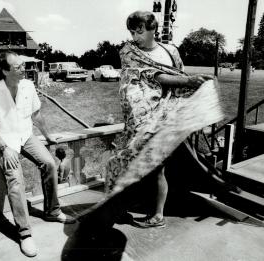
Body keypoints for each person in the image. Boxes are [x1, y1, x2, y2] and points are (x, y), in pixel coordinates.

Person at [78, 11, 224, 233]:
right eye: (131, 32)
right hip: (140, 120)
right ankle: (120, 207)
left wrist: (194, 85)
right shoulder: (129, 52)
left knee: (157, 169)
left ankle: (157, 215)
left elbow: (178, 77)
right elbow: (151, 76)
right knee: (122, 163)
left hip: (165, 120)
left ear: (153, 30)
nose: (135, 36)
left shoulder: (170, 51)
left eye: (139, 31)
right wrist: (187, 80)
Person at [0, 51, 75, 258]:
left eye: (23, 65)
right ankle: (24, 234)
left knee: (49, 163)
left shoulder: (28, 86)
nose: (24, 69)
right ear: (5, 71)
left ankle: (52, 211)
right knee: (15, 180)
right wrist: (4, 148)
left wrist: (48, 137)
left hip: (25, 136)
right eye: (18, 67)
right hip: (4, 140)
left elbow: (36, 115)